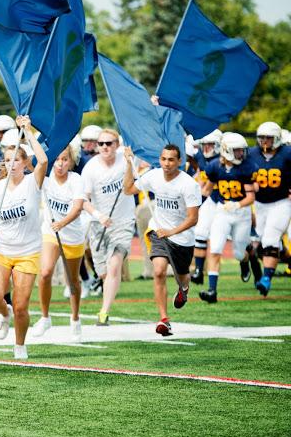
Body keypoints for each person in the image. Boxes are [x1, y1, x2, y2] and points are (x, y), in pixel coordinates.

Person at [0, 116, 48, 360]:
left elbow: (42, 160)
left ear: (23, 162)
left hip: (27, 252)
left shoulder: (32, 182)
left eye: (16, 160)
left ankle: (19, 345)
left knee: (22, 306)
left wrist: (28, 130)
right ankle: (3, 313)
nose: (11, 165)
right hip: (1, 250)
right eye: (7, 160)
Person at [123, 145, 201, 336]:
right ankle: (164, 320)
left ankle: (184, 289)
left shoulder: (189, 184)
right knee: (158, 271)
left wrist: (172, 231)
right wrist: (128, 163)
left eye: (171, 160)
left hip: (182, 238)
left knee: (182, 276)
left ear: (179, 162)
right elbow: (128, 189)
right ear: (160, 159)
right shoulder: (153, 176)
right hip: (157, 230)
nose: (167, 163)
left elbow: (193, 218)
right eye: (164, 159)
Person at [81, 129, 136, 325]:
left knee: (114, 266)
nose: (105, 147)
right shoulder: (90, 168)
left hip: (123, 222)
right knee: (104, 272)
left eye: (109, 143)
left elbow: (130, 187)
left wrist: (130, 163)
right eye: (101, 144)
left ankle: (104, 313)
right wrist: (98, 215)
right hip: (98, 225)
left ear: (117, 144)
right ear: (97, 146)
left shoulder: (126, 160)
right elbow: (83, 200)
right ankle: (104, 288)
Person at [31, 145, 85, 341]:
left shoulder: (76, 180)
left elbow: (78, 208)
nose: (61, 164)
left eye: (65, 160)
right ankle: (45, 318)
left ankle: (75, 319)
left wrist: (62, 222)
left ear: (71, 162)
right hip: (50, 233)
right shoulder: (46, 178)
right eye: (58, 159)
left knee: (72, 281)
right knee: (45, 272)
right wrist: (27, 130)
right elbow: (31, 160)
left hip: (73, 236)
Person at [199, 133, 257, 303]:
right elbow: (207, 190)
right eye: (237, 151)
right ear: (227, 150)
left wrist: (237, 205)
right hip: (222, 211)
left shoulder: (247, 167)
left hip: (241, 212)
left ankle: (246, 260)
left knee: (239, 253)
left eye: (241, 150)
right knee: (215, 248)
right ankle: (212, 290)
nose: (241, 154)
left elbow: (251, 198)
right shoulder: (214, 166)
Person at [247, 122, 291, 296]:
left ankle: (266, 280)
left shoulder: (287, 154)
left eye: (269, 138)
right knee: (260, 244)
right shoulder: (251, 154)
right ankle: (288, 260)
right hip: (259, 204)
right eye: (262, 138)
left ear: (277, 138)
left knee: (271, 237)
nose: (265, 141)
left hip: (281, 202)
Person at [190, 130, 222, 285]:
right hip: (209, 198)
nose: (207, 148)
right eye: (205, 144)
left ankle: (247, 260)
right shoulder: (200, 157)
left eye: (211, 144)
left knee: (239, 246)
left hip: (227, 200)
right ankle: (198, 271)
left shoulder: (225, 159)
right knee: (200, 232)